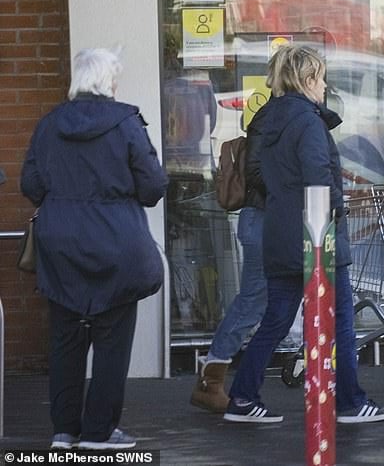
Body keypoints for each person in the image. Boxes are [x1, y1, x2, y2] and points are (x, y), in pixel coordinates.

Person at [223, 44, 384, 424]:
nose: (324, 86)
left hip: (282, 232)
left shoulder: (270, 120)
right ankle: (349, 402)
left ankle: (242, 395)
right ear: (306, 80)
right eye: (321, 78)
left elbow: (269, 179)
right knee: (341, 322)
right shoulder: (308, 122)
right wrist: (335, 217)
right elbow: (319, 177)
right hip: (318, 235)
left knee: (277, 318)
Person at [21, 48, 168, 450]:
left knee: (65, 339)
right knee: (112, 342)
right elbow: (153, 188)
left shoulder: (49, 125)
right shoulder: (127, 124)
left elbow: (31, 186)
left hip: (61, 246)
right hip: (117, 244)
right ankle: (99, 432)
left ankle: (64, 431)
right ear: (109, 81)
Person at [190, 97, 273, 413]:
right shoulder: (270, 118)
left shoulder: (272, 117)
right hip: (262, 222)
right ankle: (211, 379)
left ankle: (218, 378)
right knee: (253, 301)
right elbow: (256, 171)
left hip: (264, 221)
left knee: (262, 301)